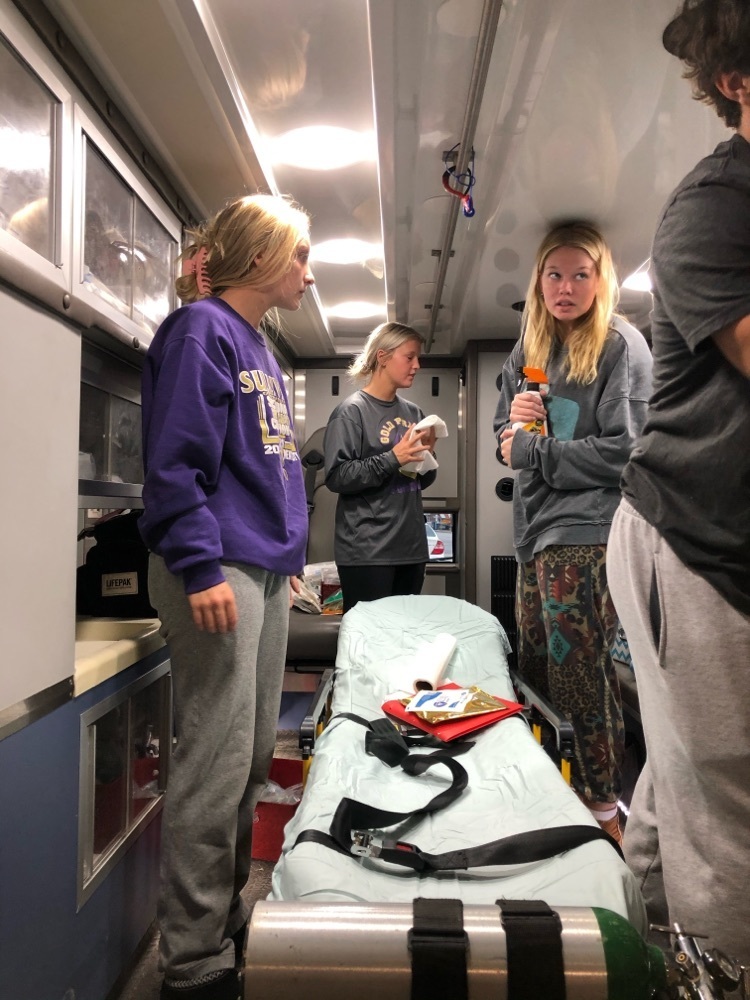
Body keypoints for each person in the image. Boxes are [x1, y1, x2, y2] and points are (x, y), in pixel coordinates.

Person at [138, 193, 313, 1000]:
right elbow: (175, 462)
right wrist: (201, 565)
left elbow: (271, 467)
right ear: (260, 256)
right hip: (217, 564)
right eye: (299, 255)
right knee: (213, 762)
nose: (308, 273)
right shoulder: (199, 331)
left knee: (247, 761)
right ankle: (191, 963)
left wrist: (288, 559)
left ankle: (222, 919)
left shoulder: (260, 348)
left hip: (262, 567)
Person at [607, 0, 750, 963]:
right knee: (729, 810)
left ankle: (647, 959)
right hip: (692, 539)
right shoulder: (714, 208)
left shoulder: (617, 349)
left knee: (681, 777)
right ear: (737, 82)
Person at [494, 222, 653, 844]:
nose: (566, 288)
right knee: (536, 667)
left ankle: (602, 814)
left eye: (580, 275)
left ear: (600, 279)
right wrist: (513, 430)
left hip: (588, 530)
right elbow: (507, 440)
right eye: (554, 274)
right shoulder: (528, 348)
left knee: (582, 676)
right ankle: (551, 796)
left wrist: (532, 451)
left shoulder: (619, 345)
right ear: (538, 280)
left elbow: (627, 452)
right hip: (534, 532)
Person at [324, 322, 438, 613]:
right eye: (409, 357)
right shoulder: (352, 412)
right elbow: (337, 477)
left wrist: (426, 458)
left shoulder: (414, 412)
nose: (417, 365)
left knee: (403, 634)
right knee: (369, 637)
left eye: (417, 358)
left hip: (411, 549)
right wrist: (394, 457)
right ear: (383, 357)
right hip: (367, 552)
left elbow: (419, 482)